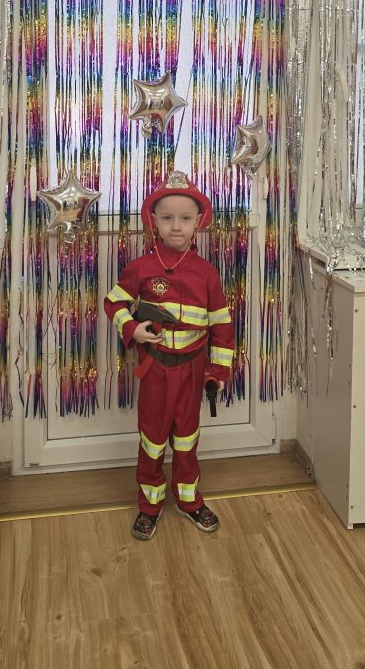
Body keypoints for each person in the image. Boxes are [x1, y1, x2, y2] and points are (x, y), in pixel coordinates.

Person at [104, 170, 234, 540]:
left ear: (199, 222)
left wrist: (217, 372)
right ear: (154, 221)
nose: (176, 226)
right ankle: (149, 505)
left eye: (185, 218)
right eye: (167, 218)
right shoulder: (141, 268)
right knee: (152, 439)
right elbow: (113, 303)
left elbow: (221, 326)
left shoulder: (207, 274)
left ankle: (189, 501)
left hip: (192, 372)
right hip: (156, 370)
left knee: (187, 438)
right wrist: (133, 328)